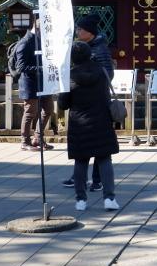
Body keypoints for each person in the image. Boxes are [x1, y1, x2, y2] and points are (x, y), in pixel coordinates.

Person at [58, 41, 120, 212]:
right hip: (101, 120)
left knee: (81, 160)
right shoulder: (101, 71)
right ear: (89, 54)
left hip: (80, 122)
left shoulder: (69, 76)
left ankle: (80, 200)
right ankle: (109, 198)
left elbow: (63, 104)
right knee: (105, 159)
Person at [62, 14, 114, 190]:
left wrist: (90, 82)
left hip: (98, 100)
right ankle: (79, 177)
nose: (77, 31)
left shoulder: (100, 49)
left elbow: (108, 74)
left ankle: (97, 180)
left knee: (99, 146)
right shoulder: (85, 47)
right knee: (89, 145)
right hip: (87, 102)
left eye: (80, 29)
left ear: (90, 32)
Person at [15, 19, 54, 151]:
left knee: (48, 109)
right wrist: (40, 68)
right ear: (38, 29)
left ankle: (37, 137)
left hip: (44, 82)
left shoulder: (42, 41)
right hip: (30, 83)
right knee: (30, 112)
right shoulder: (24, 43)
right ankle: (24, 141)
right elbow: (20, 67)